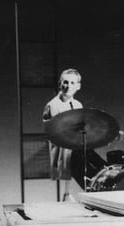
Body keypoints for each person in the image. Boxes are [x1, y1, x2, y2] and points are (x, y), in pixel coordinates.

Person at [43, 68, 83, 200]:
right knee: (64, 166)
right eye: (65, 82)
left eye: (72, 83)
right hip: (61, 143)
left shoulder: (77, 104)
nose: (68, 86)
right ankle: (65, 194)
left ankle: (69, 192)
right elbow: (54, 128)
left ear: (78, 86)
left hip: (75, 142)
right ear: (60, 84)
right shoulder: (53, 105)